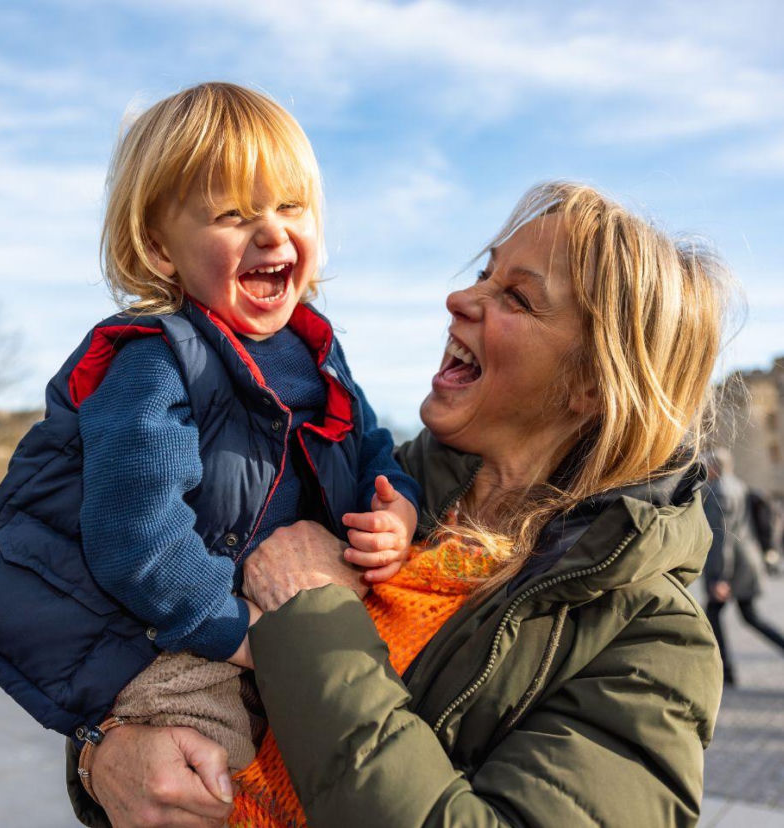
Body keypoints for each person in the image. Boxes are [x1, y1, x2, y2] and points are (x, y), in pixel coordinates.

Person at [72, 181, 729, 828]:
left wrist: (309, 611)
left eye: (516, 298)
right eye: (483, 273)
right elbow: (153, 634)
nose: (458, 298)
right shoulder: (366, 489)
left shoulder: (652, 642)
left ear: (591, 383)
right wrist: (104, 754)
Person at [0, 82, 419, 780]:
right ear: (163, 251)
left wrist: (396, 508)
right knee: (209, 776)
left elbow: (370, 446)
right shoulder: (156, 363)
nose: (272, 231)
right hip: (175, 638)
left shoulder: (319, 355)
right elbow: (133, 534)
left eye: (291, 205)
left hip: (269, 614)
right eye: (231, 214)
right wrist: (237, 633)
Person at [703, 447, 784, 685]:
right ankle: (726, 672)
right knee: (748, 616)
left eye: (706, 466)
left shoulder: (720, 491)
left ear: (714, 467)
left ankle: (726, 672)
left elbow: (722, 538)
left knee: (717, 615)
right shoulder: (737, 485)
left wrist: (719, 577)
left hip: (735, 566)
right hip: (746, 562)